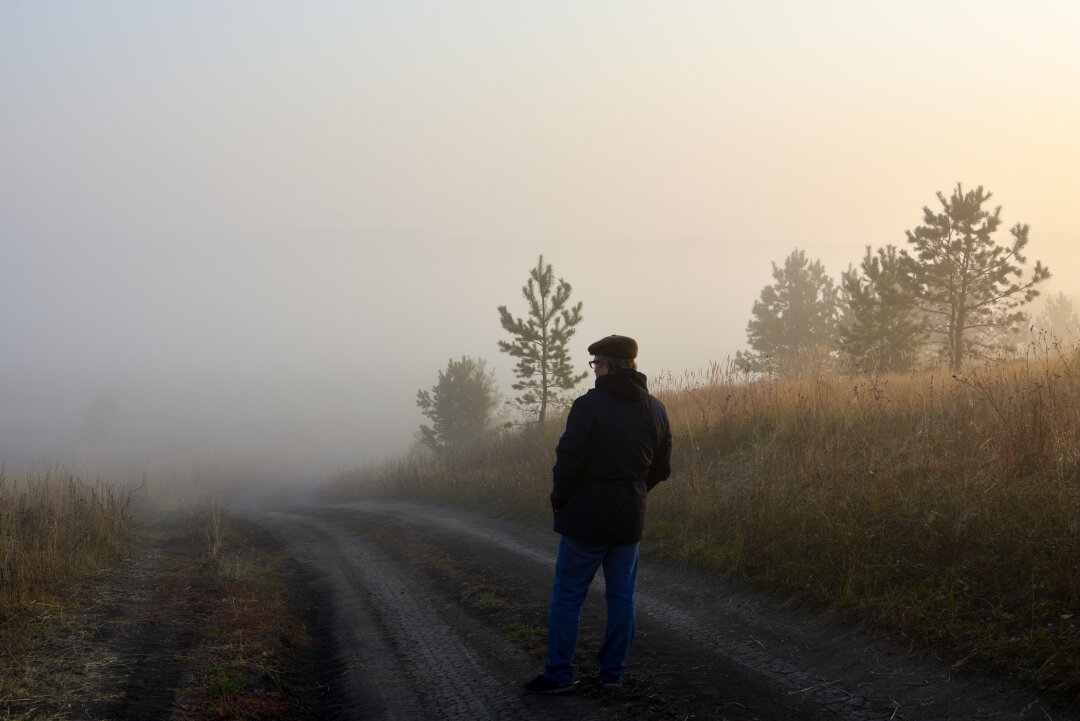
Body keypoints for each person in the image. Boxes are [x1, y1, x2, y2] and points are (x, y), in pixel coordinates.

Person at [523, 334, 673, 694]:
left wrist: (561, 500)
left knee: (569, 596)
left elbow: (568, 461)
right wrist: (633, 490)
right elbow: (661, 468)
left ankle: (559, 674)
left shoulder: (588, 406)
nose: (594, 372)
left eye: (595, 365)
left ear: (605, 366)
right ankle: (612, 675)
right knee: (622, 598)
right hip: (629, 519)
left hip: (586, 520)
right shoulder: (656, 409)